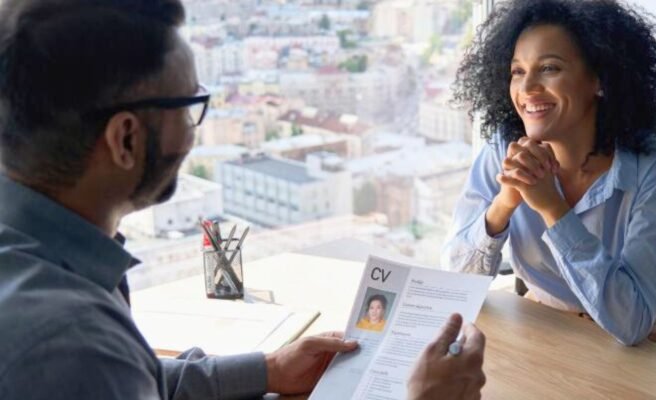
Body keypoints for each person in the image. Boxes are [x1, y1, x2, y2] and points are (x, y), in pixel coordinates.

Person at [0, 0, 486, 398]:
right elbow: (95, 370)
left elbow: (129, 380)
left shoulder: (43, 264)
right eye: (189, 107)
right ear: (125, 139)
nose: (193, 134)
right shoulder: (68, 342)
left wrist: (268, 369)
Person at [443, 0, 656, 350]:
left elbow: (632, 321)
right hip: (544, 329)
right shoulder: (503, 148)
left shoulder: (653, 163)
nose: (527, 89)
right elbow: (454, 284)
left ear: (599, 80)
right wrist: (505, 202)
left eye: (549, 68)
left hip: (638, 346)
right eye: (517, 71)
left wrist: (553, 209)